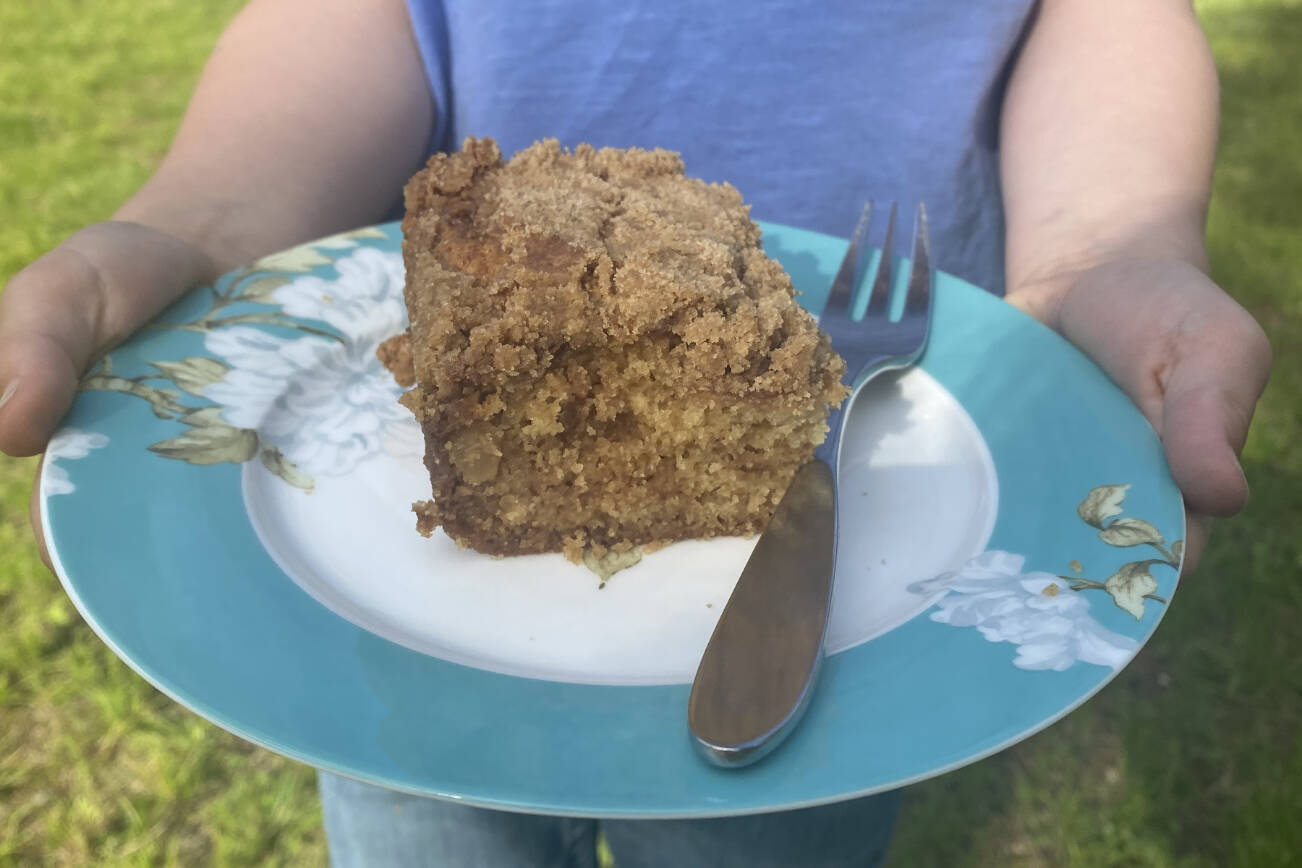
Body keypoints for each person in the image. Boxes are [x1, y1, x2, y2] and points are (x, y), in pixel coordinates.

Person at [0, 0, 1272, 865]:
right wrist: (211, 222)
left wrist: (1105, 244)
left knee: (777, 830)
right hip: (412, 641)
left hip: (870, 550)